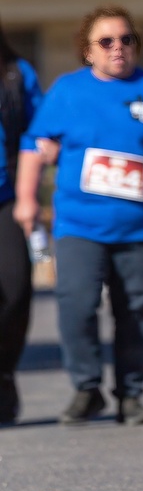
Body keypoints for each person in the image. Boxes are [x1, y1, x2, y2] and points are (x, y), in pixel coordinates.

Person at [14, 4, 143, 426]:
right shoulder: (67, 91)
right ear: (87, 51)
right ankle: (86, 388)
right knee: (76, 305)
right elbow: (35, 144)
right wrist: (26, 198)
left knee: (135, 310)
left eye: (127, 40)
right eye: (106, 41)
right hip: (79, 224)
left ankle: (130, 394)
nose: (118, 48)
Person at [0, 24, 44, 425]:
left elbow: (38, 130)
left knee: (15, 291)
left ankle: (4, 372)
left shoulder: (16, 72)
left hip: (7, 198)